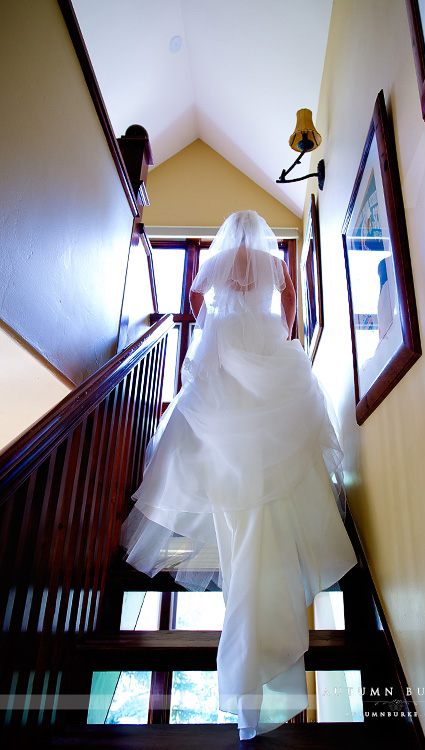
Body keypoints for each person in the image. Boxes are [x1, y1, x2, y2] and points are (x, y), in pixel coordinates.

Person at [121, 210, 357, 740]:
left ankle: (250, 675)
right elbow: (290, 337)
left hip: (228, 403)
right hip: (270, 393)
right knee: (266, 517)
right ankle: (261, 666)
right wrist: (279, 312)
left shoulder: (221, 293)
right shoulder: (274, 293)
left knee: (236, 516)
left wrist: (213, 313)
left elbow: (196, 338)